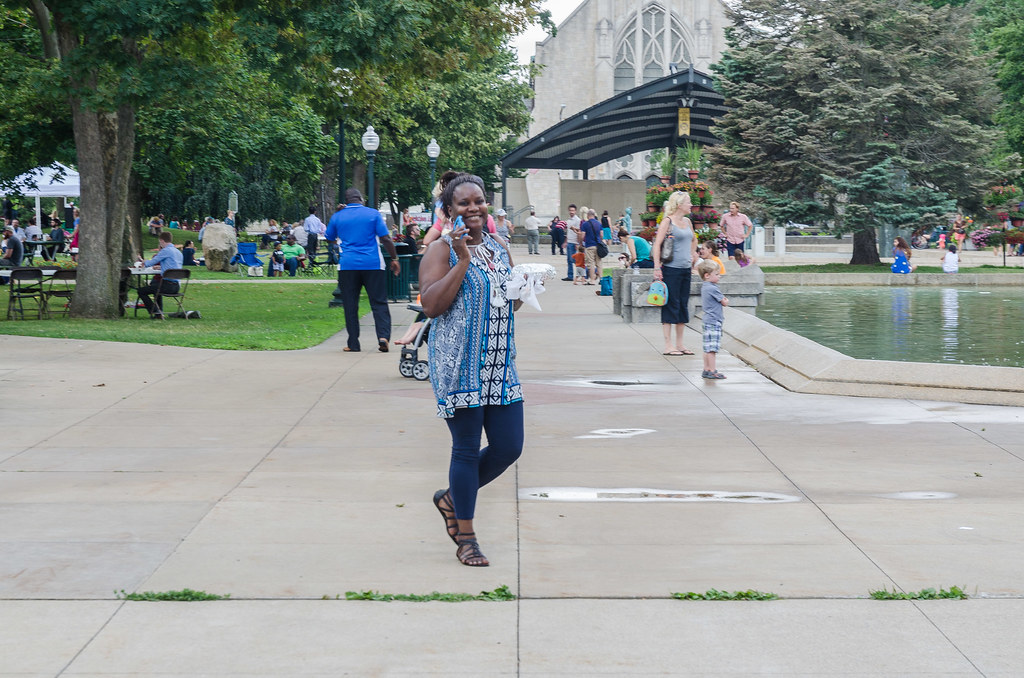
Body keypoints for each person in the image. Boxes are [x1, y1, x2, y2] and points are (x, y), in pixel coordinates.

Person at [418, 173, 524, 568]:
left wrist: (526, 286)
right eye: (463, 203)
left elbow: (510, 302)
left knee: (509, 446)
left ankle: (452, 498)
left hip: (499, 363)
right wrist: (462, 259)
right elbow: (431, 305)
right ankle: (466, 537)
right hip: (459, 364)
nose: (473, 208)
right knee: (465, 448)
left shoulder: (498, 246)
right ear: (449, 210)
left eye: (478, 200)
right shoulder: (440, 250)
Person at [326, 188, 400, 352]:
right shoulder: (373, 214)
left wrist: (339, 216)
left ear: (346, 201)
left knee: (350, 304)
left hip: (348, 265)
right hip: (373, 264)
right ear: (361, 199)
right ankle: (383, 337)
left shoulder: (338, 216)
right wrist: (394, 258)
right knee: (379, 302)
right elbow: (385, 238)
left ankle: (353, 343)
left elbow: (329, 238)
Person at [653, 191, 698, 356]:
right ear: (679, 205)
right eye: (688, 202)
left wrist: (692, 255)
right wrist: (657, 267)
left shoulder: (687, 221)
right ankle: (668, 345)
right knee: (670, 305)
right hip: (671, 269)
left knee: (682, 305)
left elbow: (694, 239)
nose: (691, 205)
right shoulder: (668, 221)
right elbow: (657, 245)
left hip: (685, 269)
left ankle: (680, 344)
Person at [137, 231, 183, 318]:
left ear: (162, 241)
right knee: (156, 286)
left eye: (159, 242)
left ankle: (155, 311)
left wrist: (144, 262)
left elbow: (152, 262)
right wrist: (162, 267)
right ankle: (159, 312)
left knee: (141, 291)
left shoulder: (165, 251)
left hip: (167, 285)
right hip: (176, 286)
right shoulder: (178, 252)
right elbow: (173, 266)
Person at [698, 260, 729, 379]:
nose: (719, 276)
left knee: (707, 347)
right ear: (707, 275)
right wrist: (726, 300)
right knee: (712, 349)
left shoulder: (705, 287)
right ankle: (712, 370)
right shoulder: (713, 288)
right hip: (714, 321)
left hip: (707, 320)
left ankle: (706, 369)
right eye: (716, 274)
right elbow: (724, 302)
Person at [580, 208, 603, 284]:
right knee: (599, 263)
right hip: (598, 246)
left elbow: (582, 235)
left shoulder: (585, 224)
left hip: (589, 245)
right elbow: (601, 235)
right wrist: (600, 241)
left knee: (591, 263)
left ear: (588, 215)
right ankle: (601, 279)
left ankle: (592, 280)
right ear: (594, 215)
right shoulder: (599, 223)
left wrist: (581, 243)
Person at [562, 204, 581, 280]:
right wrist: (565, 242)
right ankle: (570, 276)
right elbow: (568, 232)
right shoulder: (568, 220)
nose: (571, 212)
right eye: (570, 210)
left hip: (574, 242)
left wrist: (577, 243)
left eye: (573, 210)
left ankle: (583, 272)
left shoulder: (577, 220)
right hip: (569, 242)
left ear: (575, 211)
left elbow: (579, 232)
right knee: (569, 260)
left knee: (574, 260)